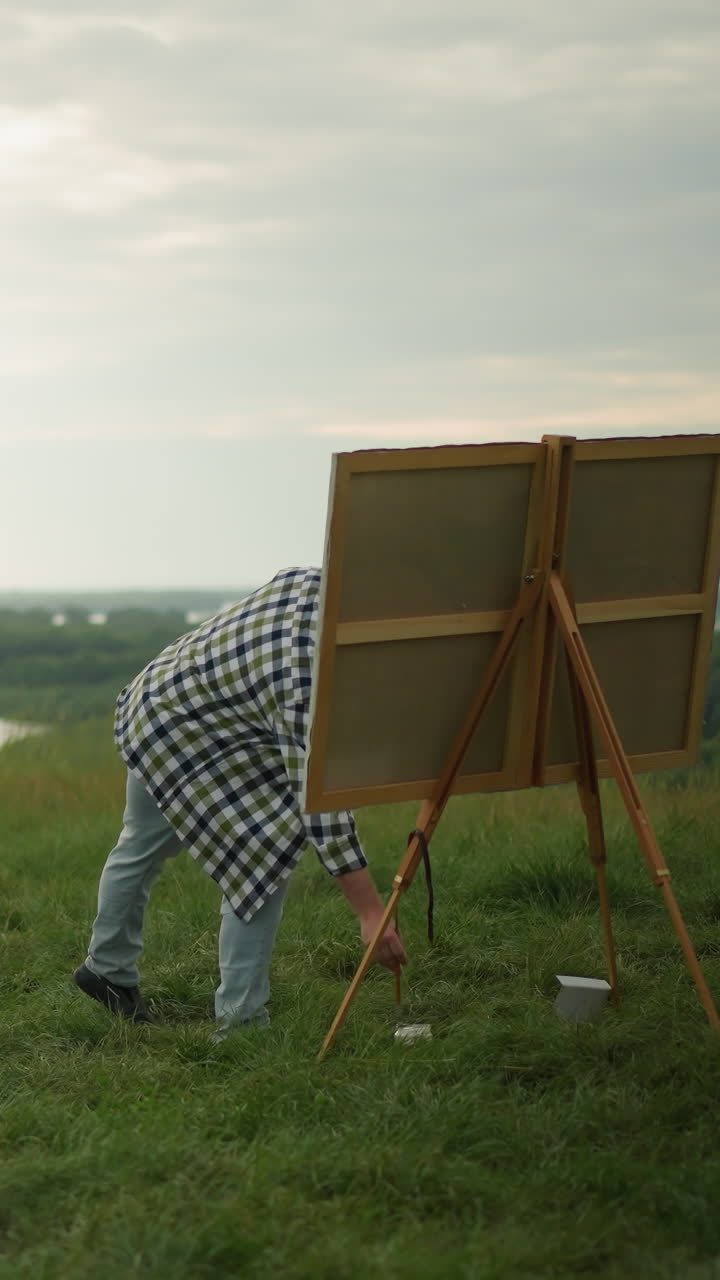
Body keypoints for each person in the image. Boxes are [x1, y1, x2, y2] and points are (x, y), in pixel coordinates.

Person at [73, 566, 406, 1034]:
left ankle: (105, 968)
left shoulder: (318, 582)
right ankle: (240, 1023)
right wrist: (371, 913)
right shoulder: (303, 679)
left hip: (156, 702)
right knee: (260, 860)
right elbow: (320, 806)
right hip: (186, 731)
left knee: (141, 840)